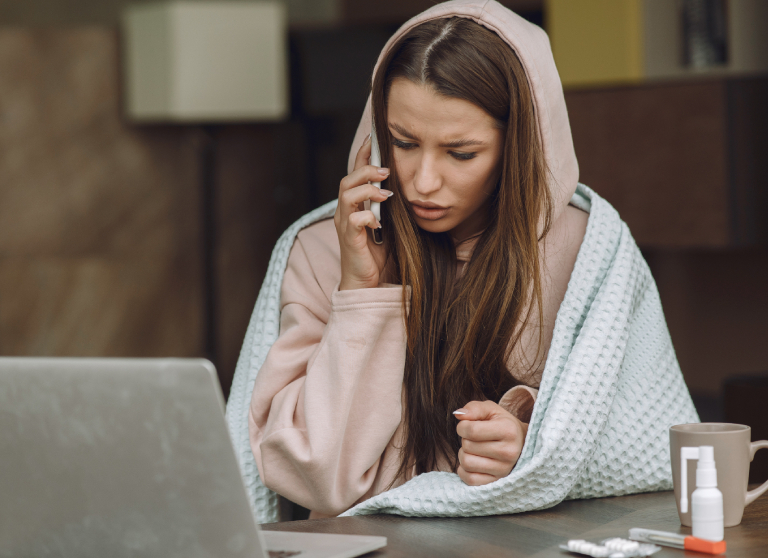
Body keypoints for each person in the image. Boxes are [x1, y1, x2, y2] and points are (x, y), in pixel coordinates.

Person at [249, 2, 592, 519]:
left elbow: (637, 439)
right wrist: (362, 292)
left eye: (461, 153)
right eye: (403, 143)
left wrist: (529, 444)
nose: (422, 182)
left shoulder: (586, 250)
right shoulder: (322, 251)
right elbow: (315, 477)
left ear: (519, 145)